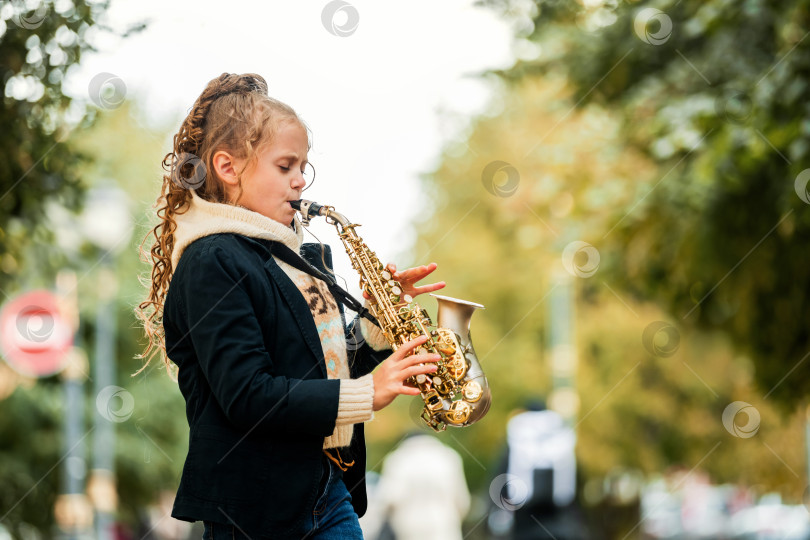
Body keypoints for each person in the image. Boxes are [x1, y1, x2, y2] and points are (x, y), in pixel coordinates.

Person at [136, 72, 445, 539]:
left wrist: (382, 320)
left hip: (325, 487)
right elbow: (247, 394)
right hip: (255, 509)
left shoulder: (291, 259)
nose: (301, 181)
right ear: (228, 166)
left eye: (304, 167)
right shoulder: (211, 259)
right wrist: (369, 392)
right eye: (285, 166)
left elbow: (325, 367)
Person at [375, 432, 470, 540]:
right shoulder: (450, 457)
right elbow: (462, 501)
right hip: (444, 525)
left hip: (409, 527)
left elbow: (389, 499)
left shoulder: (398, 459)